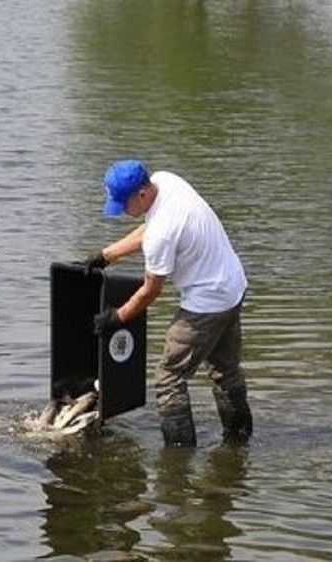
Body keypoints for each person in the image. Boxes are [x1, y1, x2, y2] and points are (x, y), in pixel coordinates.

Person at [84, 159, 253, 447]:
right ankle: (239, 441)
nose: (123, 212)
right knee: (226, 370)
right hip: (233, 286)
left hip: (206, 303)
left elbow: (150, 291)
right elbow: (147, 229)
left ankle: (178, 458)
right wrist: (106, 255)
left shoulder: (162, 233)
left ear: (141, 195)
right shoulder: (166, 181)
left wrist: (118, 317)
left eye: (123, 205)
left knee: (169, 377)